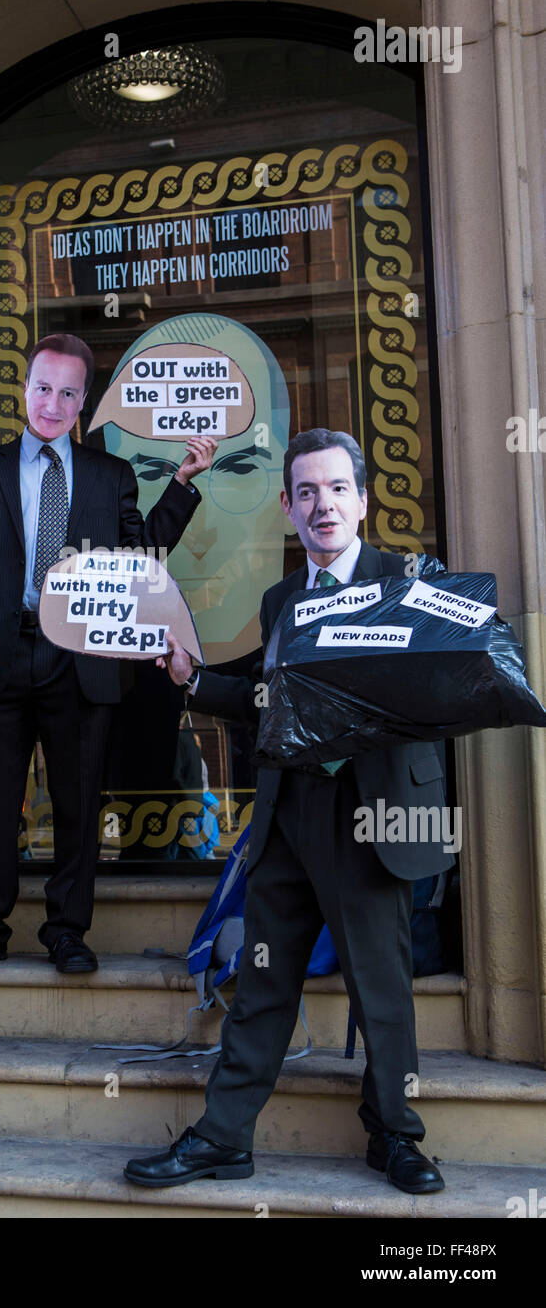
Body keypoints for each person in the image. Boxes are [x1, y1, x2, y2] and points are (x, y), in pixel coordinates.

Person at [124, 428, 452, 1195]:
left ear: (363, 502)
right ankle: (222, 1139)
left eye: (337, 488)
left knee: (382, 987)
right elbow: (272, 705)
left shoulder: (409, 579)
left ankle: (396, 1137)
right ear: (286, 507)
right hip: (287, 814)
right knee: (264, 980)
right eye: (306, 492)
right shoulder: (280, 599)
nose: (322, 505)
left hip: (373, 813)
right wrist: (192, 678)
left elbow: (450, 691)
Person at [0, 333, 216, 974]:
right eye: (42, 387)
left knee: (78, 802)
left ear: (83, 401)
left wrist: (182, 483)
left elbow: (140, 564)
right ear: (23, 389)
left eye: (66, 392)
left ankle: (67, 932)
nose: (51, 403)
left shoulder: (109, 476)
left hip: (78, 659)